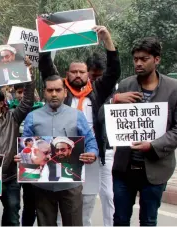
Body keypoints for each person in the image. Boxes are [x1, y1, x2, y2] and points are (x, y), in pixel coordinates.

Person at [39, 25, 121, 226]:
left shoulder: (97, 90)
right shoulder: (60, 91)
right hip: (63, 152)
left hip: (91, 154)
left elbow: (114, 71)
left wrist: (108, 41)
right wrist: (49, 39)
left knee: (88, 200)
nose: (77, 75)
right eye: (73, 71)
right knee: (63, 199)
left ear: (87, 74)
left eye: (81, 72)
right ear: (67, 74)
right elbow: (46, 66)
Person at [110, 37, 177, 226]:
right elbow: (103, 117)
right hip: (124, 168)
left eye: (144, 59)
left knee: (148, 220)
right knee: (120, 219)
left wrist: (152, 145)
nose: (138, 63)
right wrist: (115, 100)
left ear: (157, 60)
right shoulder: (125, 86)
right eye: (135, 59)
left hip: (156, 169)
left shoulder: (173, 89)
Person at [15, 75, 98, 226]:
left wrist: (93, 153)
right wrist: (22, 157)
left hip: (70, 184)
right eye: (50, 90)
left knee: (73, 223)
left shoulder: (77, 115)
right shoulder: (32, 117)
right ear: (44, 92)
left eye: (58, 90)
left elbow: (90, 140)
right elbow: (26, 145)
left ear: (65, 92)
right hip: (42, 185)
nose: (54, 94)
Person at [0, 58, 34, 226]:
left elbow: (28, 101)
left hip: (10, 178)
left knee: (12, 217)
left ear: (2, 103)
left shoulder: (13, 117)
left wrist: (28, 75)